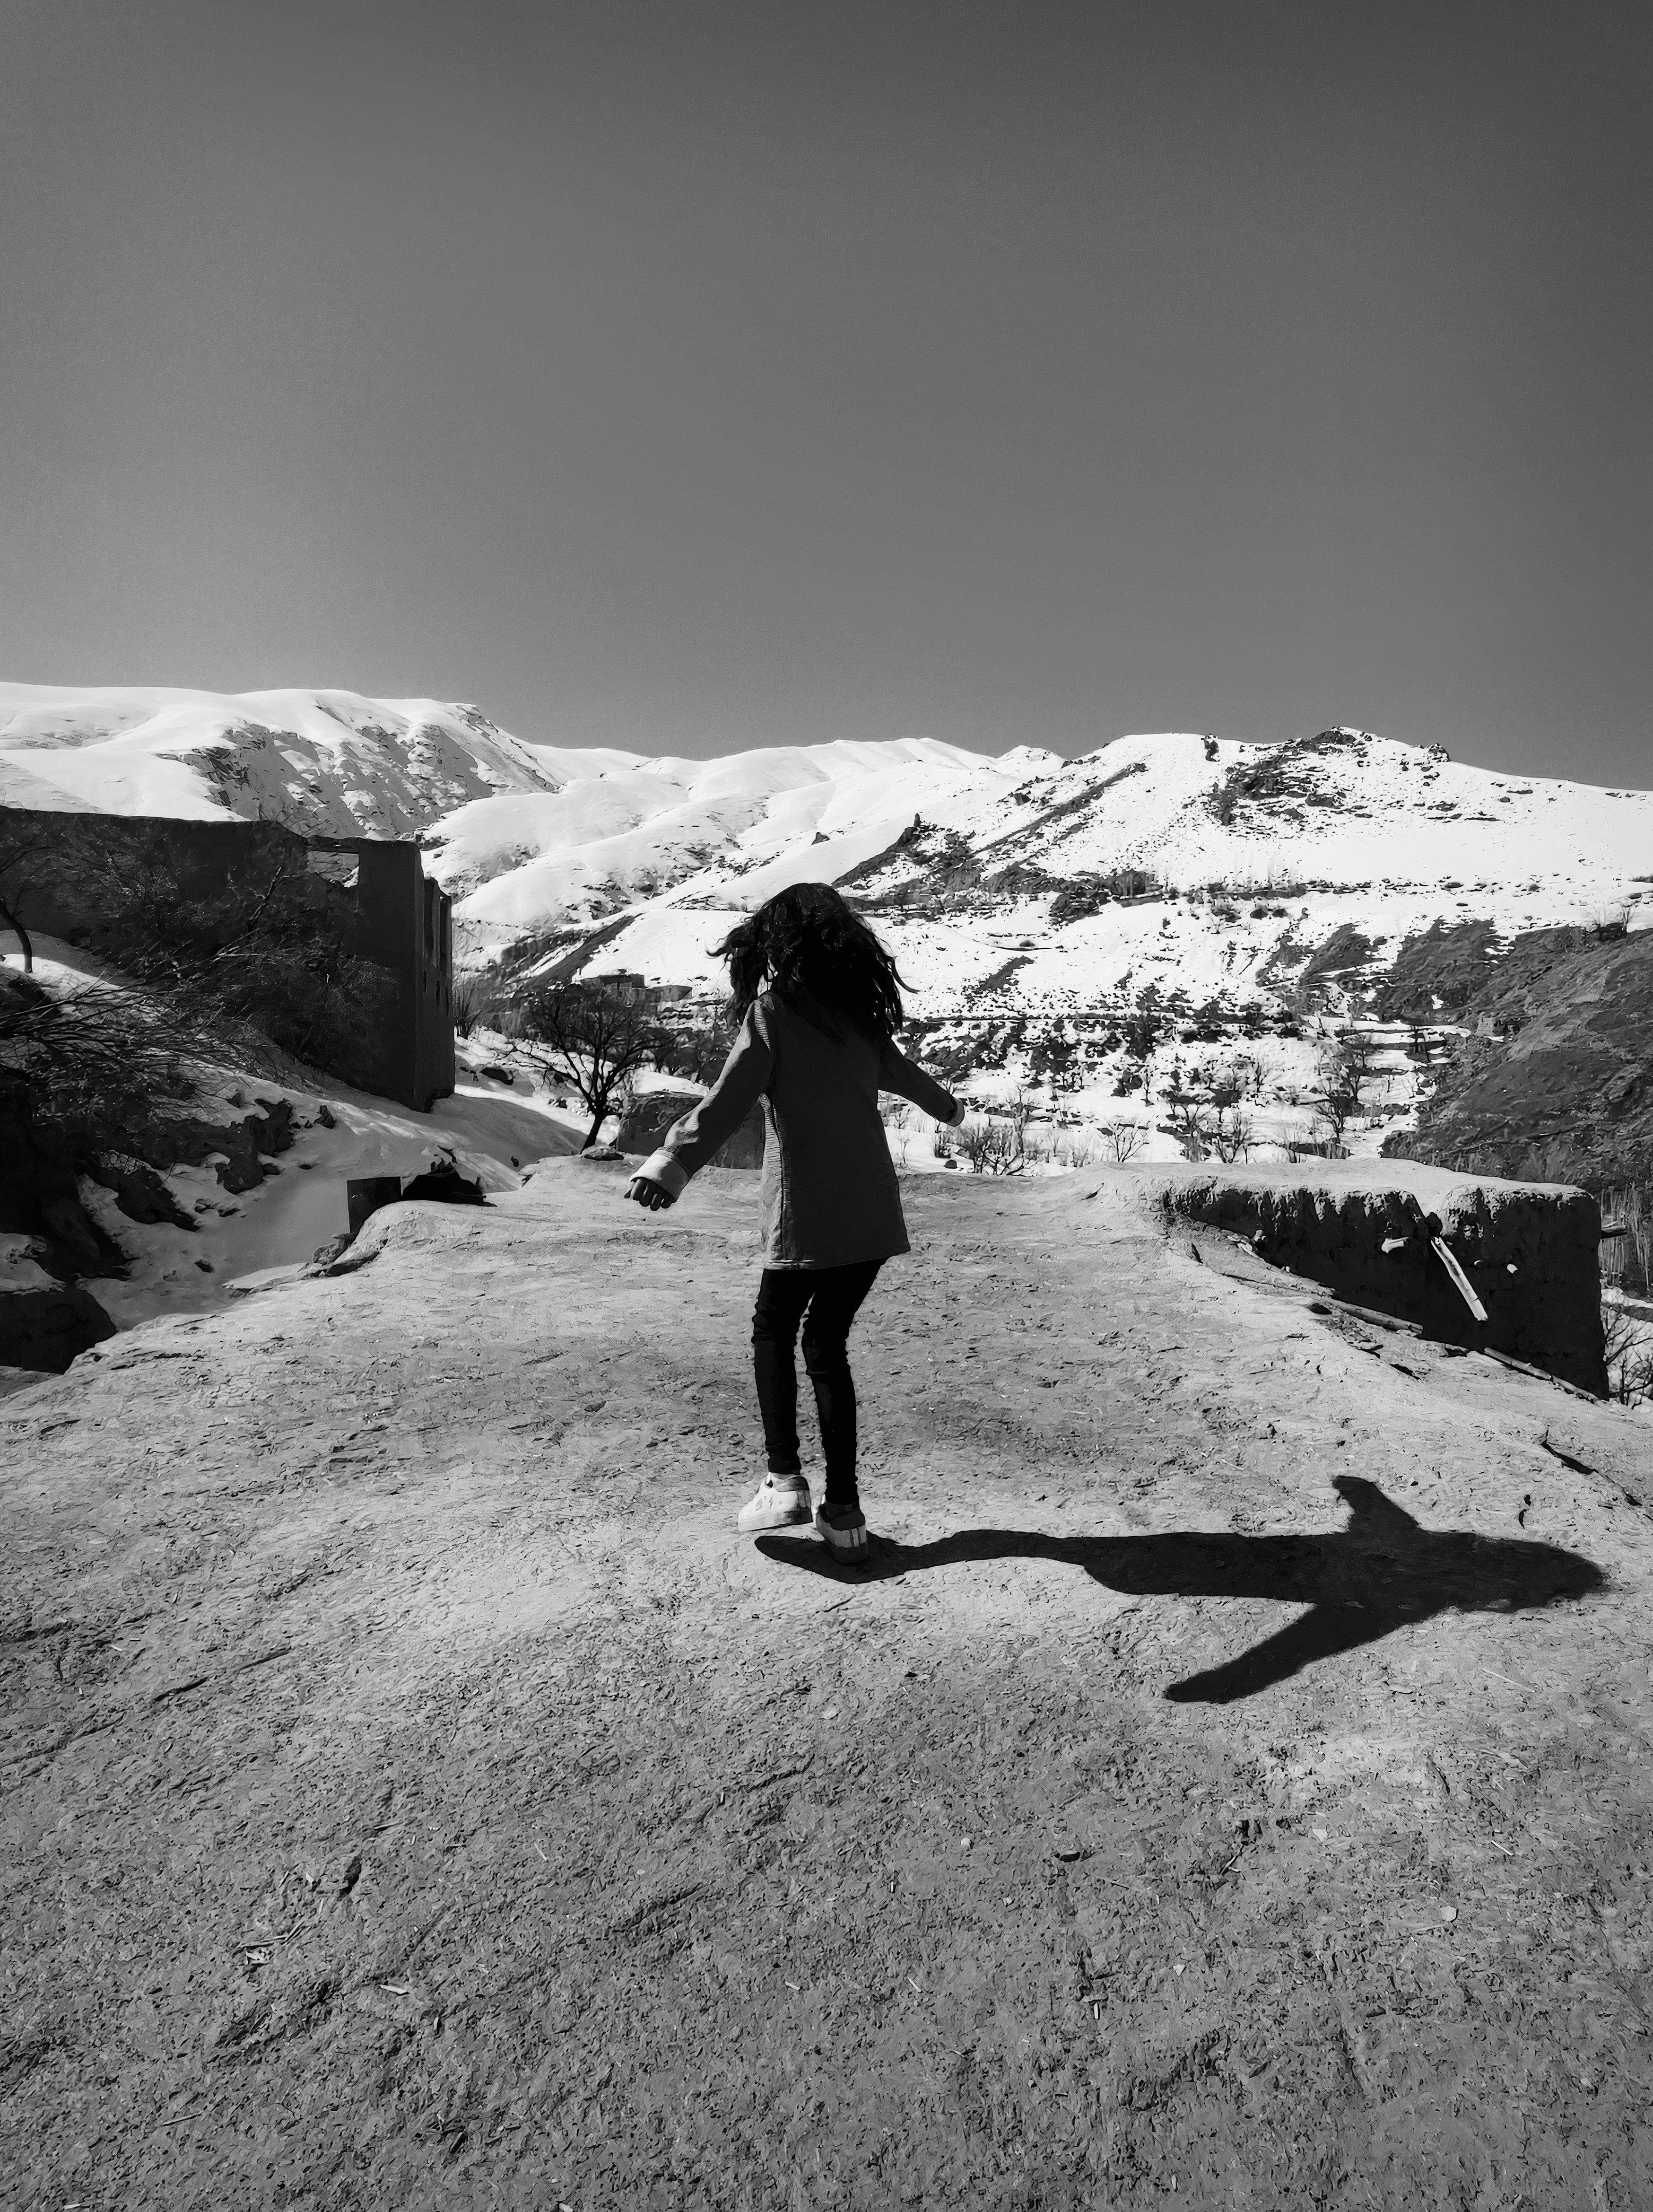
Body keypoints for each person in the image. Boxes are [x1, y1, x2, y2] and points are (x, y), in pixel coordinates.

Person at [625, 883, 965, 1560]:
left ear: (776, 944)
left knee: (773, 1330)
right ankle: (845, 1515)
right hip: (870, 1216)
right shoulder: (860, 1020)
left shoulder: (773, 1012)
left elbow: (727, 1100)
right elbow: (911, 1080)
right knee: (826, 1345)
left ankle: (784, 1482)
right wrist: (950, 1109)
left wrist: (670, 1166)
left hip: (804, 1215)